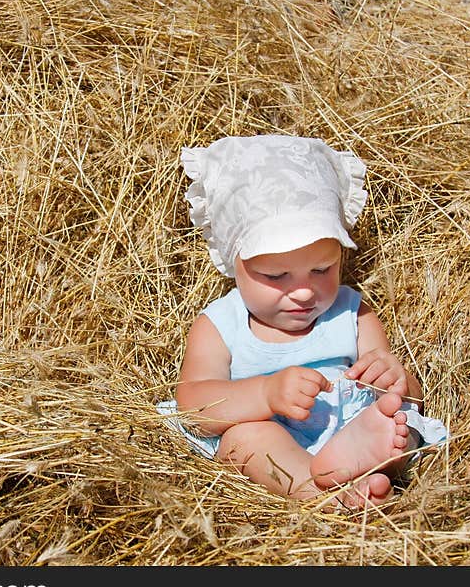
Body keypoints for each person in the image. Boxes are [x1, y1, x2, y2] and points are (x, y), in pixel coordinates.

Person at [165, 134, 447, 508]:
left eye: (321, 269)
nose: (303, 292)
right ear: (234, 263)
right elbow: (193, 406)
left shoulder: (353, 313)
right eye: (276, 276)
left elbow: (409, 395)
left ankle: (367, 459)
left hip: (354, 425)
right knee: (244, 442)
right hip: (276, 437)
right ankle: (320, 492)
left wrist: (396, 380)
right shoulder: (220, 325)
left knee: (400, 426)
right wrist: (264, 394)